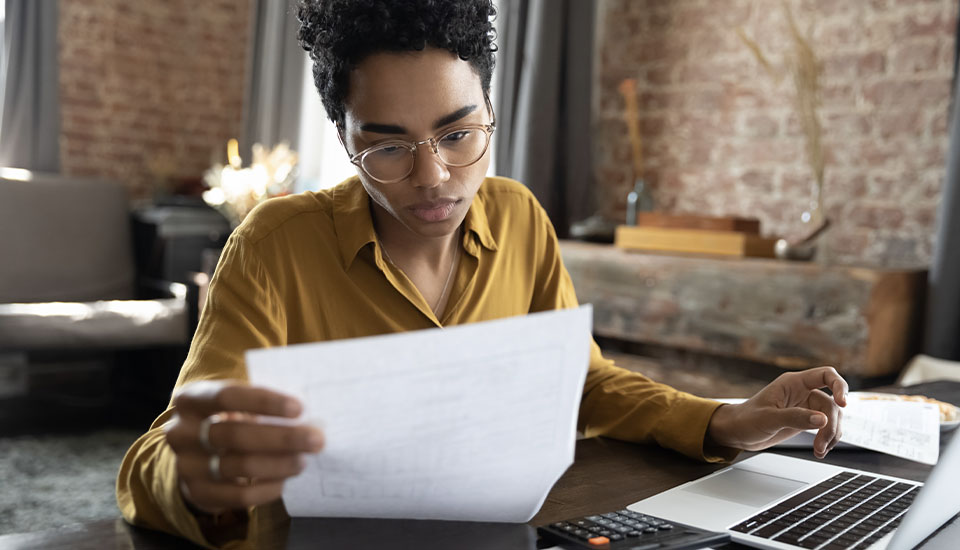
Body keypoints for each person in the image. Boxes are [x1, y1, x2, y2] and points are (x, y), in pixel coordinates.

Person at [116, 1, 848, 547]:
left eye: (459, 133)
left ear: (493, 112)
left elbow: (584, 383)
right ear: (344, 141)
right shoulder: (274, 245)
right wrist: (196, 479)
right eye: (389, 147)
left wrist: (722, 419)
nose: (434, 178)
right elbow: (155, 457)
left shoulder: (521, 219)